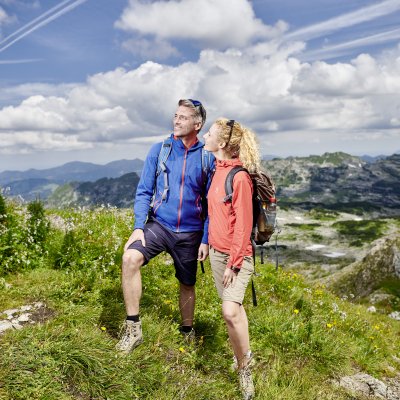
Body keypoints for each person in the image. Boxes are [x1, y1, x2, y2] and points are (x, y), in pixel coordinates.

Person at [116, 99, 214, 353]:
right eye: (175, 115)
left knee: (187, 283)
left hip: (191, 232)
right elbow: (144, 191)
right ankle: (133, 329)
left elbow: (212, 203)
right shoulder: (159, 150)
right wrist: (139, 226)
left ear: (198, 124)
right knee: (129, 259)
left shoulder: (207, 157)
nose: (176, 120)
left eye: (183, 117)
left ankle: (187, 330)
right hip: (159, 225)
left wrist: (205, 238)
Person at [203, 118, 260, 400]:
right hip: (215, 252)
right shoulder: (216, 170)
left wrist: (234, 263)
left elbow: (243, 225)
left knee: (229, 312)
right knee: (235, 311)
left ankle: (244, 369)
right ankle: (243, 356)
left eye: (209, 133)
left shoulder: (238, 177)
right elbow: (214, 215)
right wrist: (206, 242)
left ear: (222, 143)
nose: (205, 136)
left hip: (235, 257)